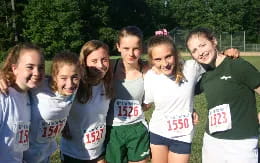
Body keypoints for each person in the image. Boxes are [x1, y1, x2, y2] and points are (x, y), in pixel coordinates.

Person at [186, 27, 260, 163]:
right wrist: (190, 109)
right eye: (194, 50)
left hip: (242, 142)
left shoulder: (237, 65)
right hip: (212, 142)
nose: (200, 52)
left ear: (213, 41)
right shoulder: (205, 74)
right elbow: (183, 92)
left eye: (202, 45)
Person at [0, 51, 82, 163]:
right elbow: (19, 78)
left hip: (45, 155)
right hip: (24, 156)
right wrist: (2, 76)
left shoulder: (74, 88)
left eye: (75, 77)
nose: (70, 84)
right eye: (63, 78)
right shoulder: (38, 87)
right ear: (54, 76)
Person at [143, 33, 204, 163]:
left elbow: (214, 65)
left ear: (175, 54)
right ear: (152, 60)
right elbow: (147, 103)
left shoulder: (191, 68)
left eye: (168, 56)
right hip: (158, 132)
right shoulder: (150, 76)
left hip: (183, 135)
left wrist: (227, 53)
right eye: (158, 59)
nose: (165, 63)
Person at [60, 40, 113, 163]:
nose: (100, 65)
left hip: (98, 152)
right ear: (84, 62)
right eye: (94, 61)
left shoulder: (108, 82)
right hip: (73, 153)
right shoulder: (74, 85)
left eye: (104, 59)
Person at [105, 26, 150, 163]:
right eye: (126, 48)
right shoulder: (108, 68)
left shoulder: (148, 70)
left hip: (137, 129)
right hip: (112, 129)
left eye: (136, 48)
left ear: (141, 48)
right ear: (118, 47)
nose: (131, 53)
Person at [0, 43, 45, 162]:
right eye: (30, 67)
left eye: (40, 67)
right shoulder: (3, 96)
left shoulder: (31, 94)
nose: (37, 72)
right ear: (14, 69)